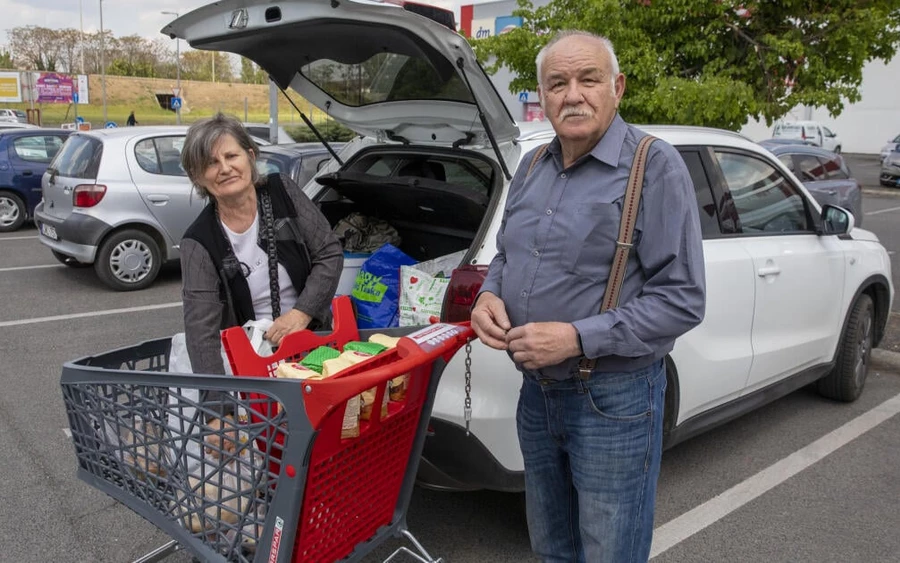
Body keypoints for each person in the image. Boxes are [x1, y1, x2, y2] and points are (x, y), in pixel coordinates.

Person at [471, 31, 706, 563]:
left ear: (617, 87)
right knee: (552, 547)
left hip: (614, 399)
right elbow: (506, 255)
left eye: (588, 79)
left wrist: (577, 337)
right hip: (536, 395)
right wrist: (487, 295)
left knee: (610, 553)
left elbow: (684, 297)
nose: (572, 94)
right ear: (542, 95)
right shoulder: (530, 167)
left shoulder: (656, 166)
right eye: (557, 83)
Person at [179, 112, 343, 434]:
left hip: (313, 342)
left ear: (250, 157)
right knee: (277, 446)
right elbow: (202, 331)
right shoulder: (198, 241)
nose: (225, 168)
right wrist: (217, 411)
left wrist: (301, 313)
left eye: (231, 155)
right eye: (211, 163)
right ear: (198, 177)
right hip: (255, 365)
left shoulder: (282, 191)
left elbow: (329, 252)